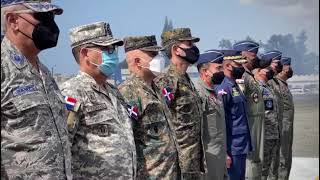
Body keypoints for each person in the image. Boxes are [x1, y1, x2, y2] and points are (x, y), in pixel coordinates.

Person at [1, 0, 72, 179]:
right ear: (13, 21)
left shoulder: (45, 72)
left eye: (52, 17)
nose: (51, 24)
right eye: (42, 16)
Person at [60, 22, 137, 179]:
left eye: (113, 48)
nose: (113, 54)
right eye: (106, 49)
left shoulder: (114, 92)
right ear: (85, 53)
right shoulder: (71, 93)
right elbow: (62, 149)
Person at [118, 35, 180, 179]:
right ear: (138, 62)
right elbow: (126, 144)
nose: (159, 58)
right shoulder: (128, 93)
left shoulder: (156, 87)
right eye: (153, 54)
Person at [153, 28, 206, 180]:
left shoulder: (186, 79)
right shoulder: (166, 81)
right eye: (189, 44)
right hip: (178, 164)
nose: (194, 49)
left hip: (193, 162)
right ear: (176, 49)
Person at [233, 40, 271, 180]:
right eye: (253, 55)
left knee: (257, 160)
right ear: (243, 56)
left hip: (256, 123)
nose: (256, 57)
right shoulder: (242, 76)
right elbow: (239, 102)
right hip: (250, 123)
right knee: (252, 161)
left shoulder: (249, 75)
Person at [216, 50, 252, 180]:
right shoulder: (223, 88)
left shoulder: (236, 84)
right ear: (227, 66)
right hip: (232, 146)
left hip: (241, 144)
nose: (241, 68)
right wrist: (224, 151)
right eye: (238, 64)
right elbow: (221, 122)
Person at [195, 50, 228, 180]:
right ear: (204, 71)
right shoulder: (198, 93)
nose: (222, 72)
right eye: (218, 68)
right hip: (208, 159)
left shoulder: (214, 92)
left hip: (219, 155)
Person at [253, 63, 280, 180]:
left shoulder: (267, 87)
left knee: (269, 169)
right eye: (268, 68)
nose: (271, 70)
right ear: (260, 70)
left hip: (273, 133)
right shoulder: (257, 87)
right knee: (262, 170)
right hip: (264, 136)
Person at [263, 50, 283, 179]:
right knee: (265, 169)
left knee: (273, 166)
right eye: (276, 62)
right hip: (266, 134)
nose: (278, 65)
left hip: (274, 131)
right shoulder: (264, 83)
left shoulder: (272, 83)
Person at [277, 57, 295, 180]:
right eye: (287, 66)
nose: (290, 69)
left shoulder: (283, 85)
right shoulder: (276, 85)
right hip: (281, 129)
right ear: (282, 69)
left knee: (287, 159)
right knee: (282, 160)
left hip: (287, 129)